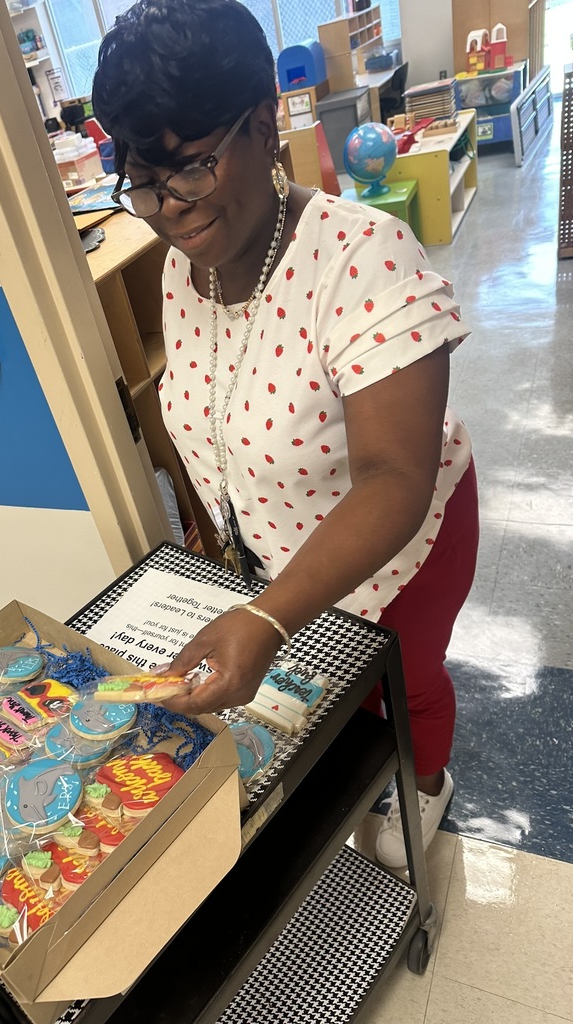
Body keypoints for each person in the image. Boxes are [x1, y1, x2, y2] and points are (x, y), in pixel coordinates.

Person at [91, 0, 479, 868]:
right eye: (144, 180)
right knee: (330, 705)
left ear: (265, 126)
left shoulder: (363, 256)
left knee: (406, 690)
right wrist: (221, 552)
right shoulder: (185, 273)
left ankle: (425, 788)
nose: (169, 208)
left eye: (189, 168)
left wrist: (267, 617)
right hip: (277, 555)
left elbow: (392, 476)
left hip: (402, 543)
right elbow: (205, 414)